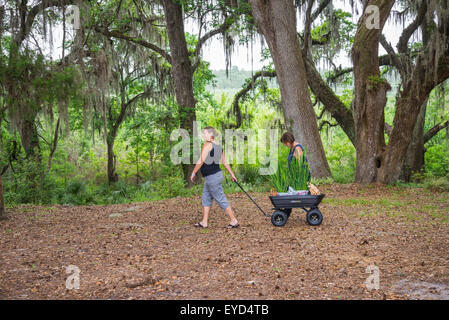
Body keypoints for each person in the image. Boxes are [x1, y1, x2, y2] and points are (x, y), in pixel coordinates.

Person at [190, 126, 240, 229]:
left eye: (205, 133)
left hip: (212, 178)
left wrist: (193, 173)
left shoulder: (208, 145)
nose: (203, 135)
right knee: (206, 197)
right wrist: (232, 174)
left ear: (210, 134)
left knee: (220, 198)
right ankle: (204, 222)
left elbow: (201, 161)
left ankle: (234, 220)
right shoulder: (218, 145)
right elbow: (224, 162)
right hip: (214, 177)